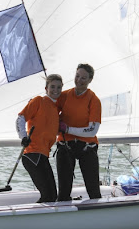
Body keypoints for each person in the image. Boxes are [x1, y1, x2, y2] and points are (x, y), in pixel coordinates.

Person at [56, 63, 102, 201]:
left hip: (87, 147)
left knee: (94, 190)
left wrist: (68, 129)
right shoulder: (64, 96)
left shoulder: (94, 100)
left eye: (83, 78)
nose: (79, 80)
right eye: (77, 76)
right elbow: (48, 110)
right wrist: (36, 104)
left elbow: (92, 131)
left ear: (90, 80)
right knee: (63, 192)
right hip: (66, 145)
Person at [16, 74, 63, 203]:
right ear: (46, 88)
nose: (55, 90)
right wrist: (23, 137)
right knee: (49, 196)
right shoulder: (38, 101)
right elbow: (20, 118)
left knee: (52, 196)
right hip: (32, 155)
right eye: (52, 87)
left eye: (59, 87)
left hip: (42, 156)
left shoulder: (56, 109)